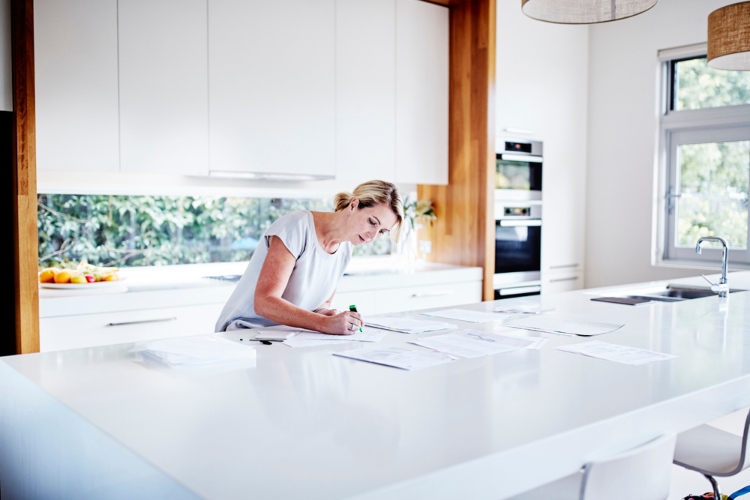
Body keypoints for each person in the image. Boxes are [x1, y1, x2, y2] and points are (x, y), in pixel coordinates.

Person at [215, 180, 404, 335]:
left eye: (381, 231)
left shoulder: (347, 245)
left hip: (287, 336)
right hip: (244, 333)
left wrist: (326, 314)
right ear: (353, 205)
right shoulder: (297, 226)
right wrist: (322, 323)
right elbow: (264, 302)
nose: (372, 236)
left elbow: (321, 303)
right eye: (372, 222)